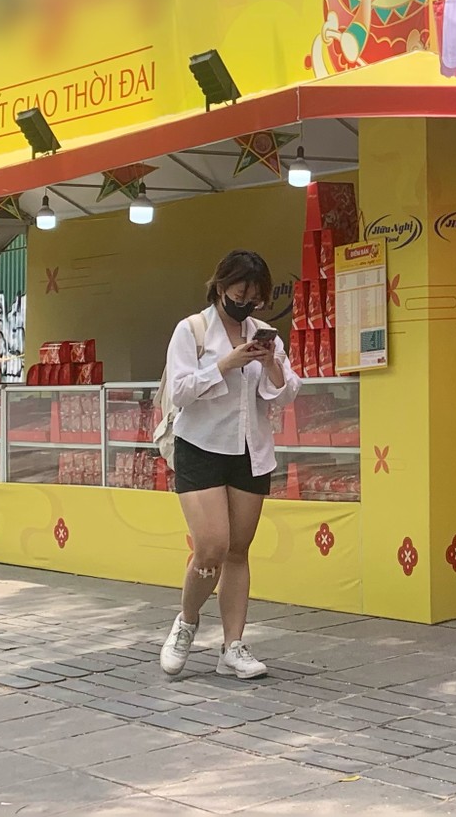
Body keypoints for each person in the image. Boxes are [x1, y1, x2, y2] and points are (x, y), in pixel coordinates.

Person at [158, 250, 301, 678]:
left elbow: (288, 391)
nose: (246, 304)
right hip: (200, 446)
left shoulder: (262, 333)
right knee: (212, 547)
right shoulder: (192, 330)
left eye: (255, 298)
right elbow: (179, 391)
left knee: (238, 550)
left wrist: (269, 361)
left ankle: (233, 646)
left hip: (250, 451)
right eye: (240, 294)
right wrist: (224, 364)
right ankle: (186, 621)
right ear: (221, 287)